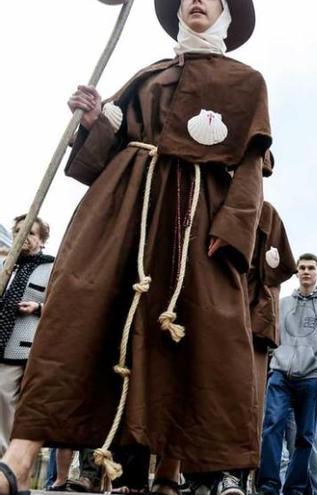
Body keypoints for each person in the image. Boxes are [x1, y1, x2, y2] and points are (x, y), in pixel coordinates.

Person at [0, 1, 273, 494]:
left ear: (226, 11)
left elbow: (251, 167)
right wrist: (92, 121)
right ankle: (19, 459)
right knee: (78, 313)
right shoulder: (150, 75)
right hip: (123, 208)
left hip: (195, 217)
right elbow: (103, 154)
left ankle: (173, 471)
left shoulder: (246, 81)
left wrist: (232, 232)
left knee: (190, 333)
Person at [216, 201, 296, 495]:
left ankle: (233, 474)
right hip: (207, 315)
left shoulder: (266, 213)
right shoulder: (203, 198)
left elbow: (284, 265)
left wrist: (265, 264)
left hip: (249, 320)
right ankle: (195, 474)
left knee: (244, 399)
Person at [258, 253, 317, 495]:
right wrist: (271, 363)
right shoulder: (283, 303)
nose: (306, 271)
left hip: (312, 376)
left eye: (311, 268)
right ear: (296, 273)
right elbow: (273, 338)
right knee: (271, 427)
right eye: (302, 268)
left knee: (305, 436)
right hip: (280, 374)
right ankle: (268, 486)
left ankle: (295, 488)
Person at [0, 216, 54, 458]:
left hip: (29, 346)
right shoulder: (6, 266)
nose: (24, 238)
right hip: (2, 342)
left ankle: (9, 459)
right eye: (19, 232)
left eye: (31, 233)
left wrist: (39, 308)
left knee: (14, 401)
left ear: (41, 241)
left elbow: (65, 304)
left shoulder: (52, 267)